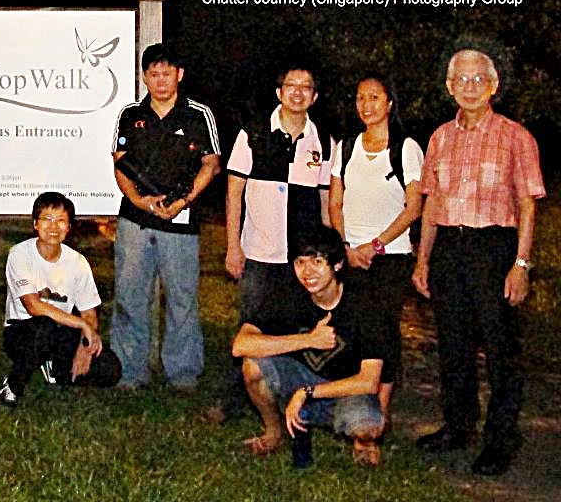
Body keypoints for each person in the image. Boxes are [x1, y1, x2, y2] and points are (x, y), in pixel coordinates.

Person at [412, 48, 545, 476]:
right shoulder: (439, 138)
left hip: (494, 247)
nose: (469, 87)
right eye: (461, 80)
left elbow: (528, 204)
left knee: (500, 348)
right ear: (449, 87)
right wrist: (423, 260)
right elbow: (431, 203)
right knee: (453, 345)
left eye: (478, 80)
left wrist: (521, 265)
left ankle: (501, 438)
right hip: (449, 248)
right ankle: (458, 426)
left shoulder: (516, 137)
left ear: (493, 85)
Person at [110, 43, 220, 391]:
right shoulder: (130, 114)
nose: (160, 80)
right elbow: (119, 162)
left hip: (180, 222)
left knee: (182, 299)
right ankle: (129, 371)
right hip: (135, 221)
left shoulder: (199, 114)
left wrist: (183, 201)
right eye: (153, 74)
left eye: (167, 73)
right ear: (145, 77)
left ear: (179, 75)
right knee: (129, 296)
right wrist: (139, 201)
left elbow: (211, 164)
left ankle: (182, 373)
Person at [232, 226, 386, 468]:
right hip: (299, 377)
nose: (307, 272)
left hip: (345, 390)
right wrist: (309, 340)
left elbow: (369, 381)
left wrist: (307, 392)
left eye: (317, 262)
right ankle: (273, 432)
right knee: (252, 366)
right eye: (300, 262)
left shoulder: (365, 304)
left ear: (337, 265)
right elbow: (240, 346)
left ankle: (364, 443)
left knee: (369, 424)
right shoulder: (288, 293)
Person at [328, 75, 423, 423]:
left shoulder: (406, 148)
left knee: (382, 333)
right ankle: (352, 406)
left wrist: (376, 245)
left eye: (374, 98)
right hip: (350, 255)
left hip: (389, 257)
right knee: (351, 331)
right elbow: (335, 202)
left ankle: (377, 417)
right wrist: (346, 245)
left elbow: (414, 207)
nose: (366, 105)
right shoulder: (346, 146)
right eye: (360, 98)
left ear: (389, 103)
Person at [225, 66, 334, 321]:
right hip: (258, 254)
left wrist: (329, 252)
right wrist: (233, 247)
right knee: (254, 327)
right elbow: (233, 194)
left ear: (314, 96)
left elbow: (326, 200)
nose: (298, 93)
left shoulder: (324, 142)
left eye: (305, 87)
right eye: (291, 85)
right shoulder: (252, 133)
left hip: (304, 257)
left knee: (300, 327)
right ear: (279, 92)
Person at [0, 192, 121, 407]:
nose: (53, 226)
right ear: (35, 224)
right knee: (43, 327)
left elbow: (89, 312)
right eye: (47, 219)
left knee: (110, 369)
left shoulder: (77, 261)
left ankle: (56, 370)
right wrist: (81, 324)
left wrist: (84, 347)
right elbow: (34, 306)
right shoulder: (19, 253)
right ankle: (13, 386)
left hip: (61, 331)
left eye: (61, 220)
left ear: (69, 227)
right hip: (22, 331)